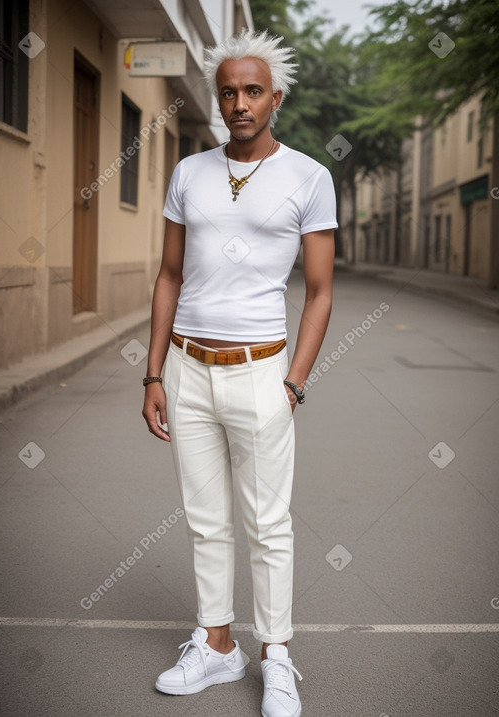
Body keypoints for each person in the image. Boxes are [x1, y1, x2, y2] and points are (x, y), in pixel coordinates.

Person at [142, 28, 337, 717]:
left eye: (252, 90)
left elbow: (319, 291)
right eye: (228, 91)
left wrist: (293, 382)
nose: (239, 102)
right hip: (189, 369)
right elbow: (168, 274)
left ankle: (276, 655)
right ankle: (217, 642)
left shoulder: (309, 177)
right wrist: (154, 373)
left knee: (268, 521)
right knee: (205, 520)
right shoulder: (189, 172)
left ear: (274, 97)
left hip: (263, 373)